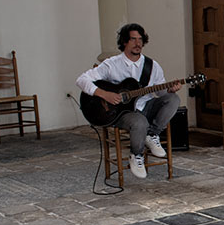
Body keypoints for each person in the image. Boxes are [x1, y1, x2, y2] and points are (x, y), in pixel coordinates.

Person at [77, 23, 181, 180]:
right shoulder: (112, 64)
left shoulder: (152, 66)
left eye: (140, 40)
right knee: (139, 122)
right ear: (125, 42)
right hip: (120, 112)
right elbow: (82, 80)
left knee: (173, 99)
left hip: (145, 106)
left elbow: (160, 92)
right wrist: (104, 94)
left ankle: (152, 134)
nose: (137, 43)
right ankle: (136, 155)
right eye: (133, 39)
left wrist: (170, 89)